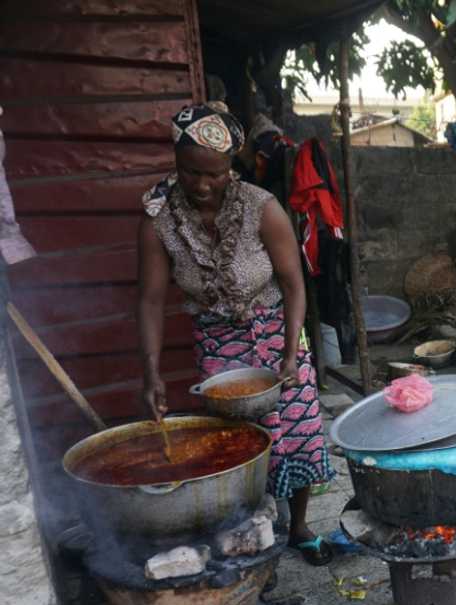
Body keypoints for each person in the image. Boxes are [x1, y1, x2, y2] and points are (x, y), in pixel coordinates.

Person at [137, 103, 335, 565]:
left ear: (232, 168)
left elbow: (293, 284)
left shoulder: (261, 209)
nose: (203, 186)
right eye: (191, 173)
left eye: (216, 174)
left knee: (298, 431)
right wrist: (150, 373)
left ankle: (301, 526)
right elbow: (148, 301)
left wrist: (291, 352)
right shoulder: (158, 221)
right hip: (218, 342)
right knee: (239, 446)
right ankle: (254, 539)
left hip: (276, 332)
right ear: (176, 162)